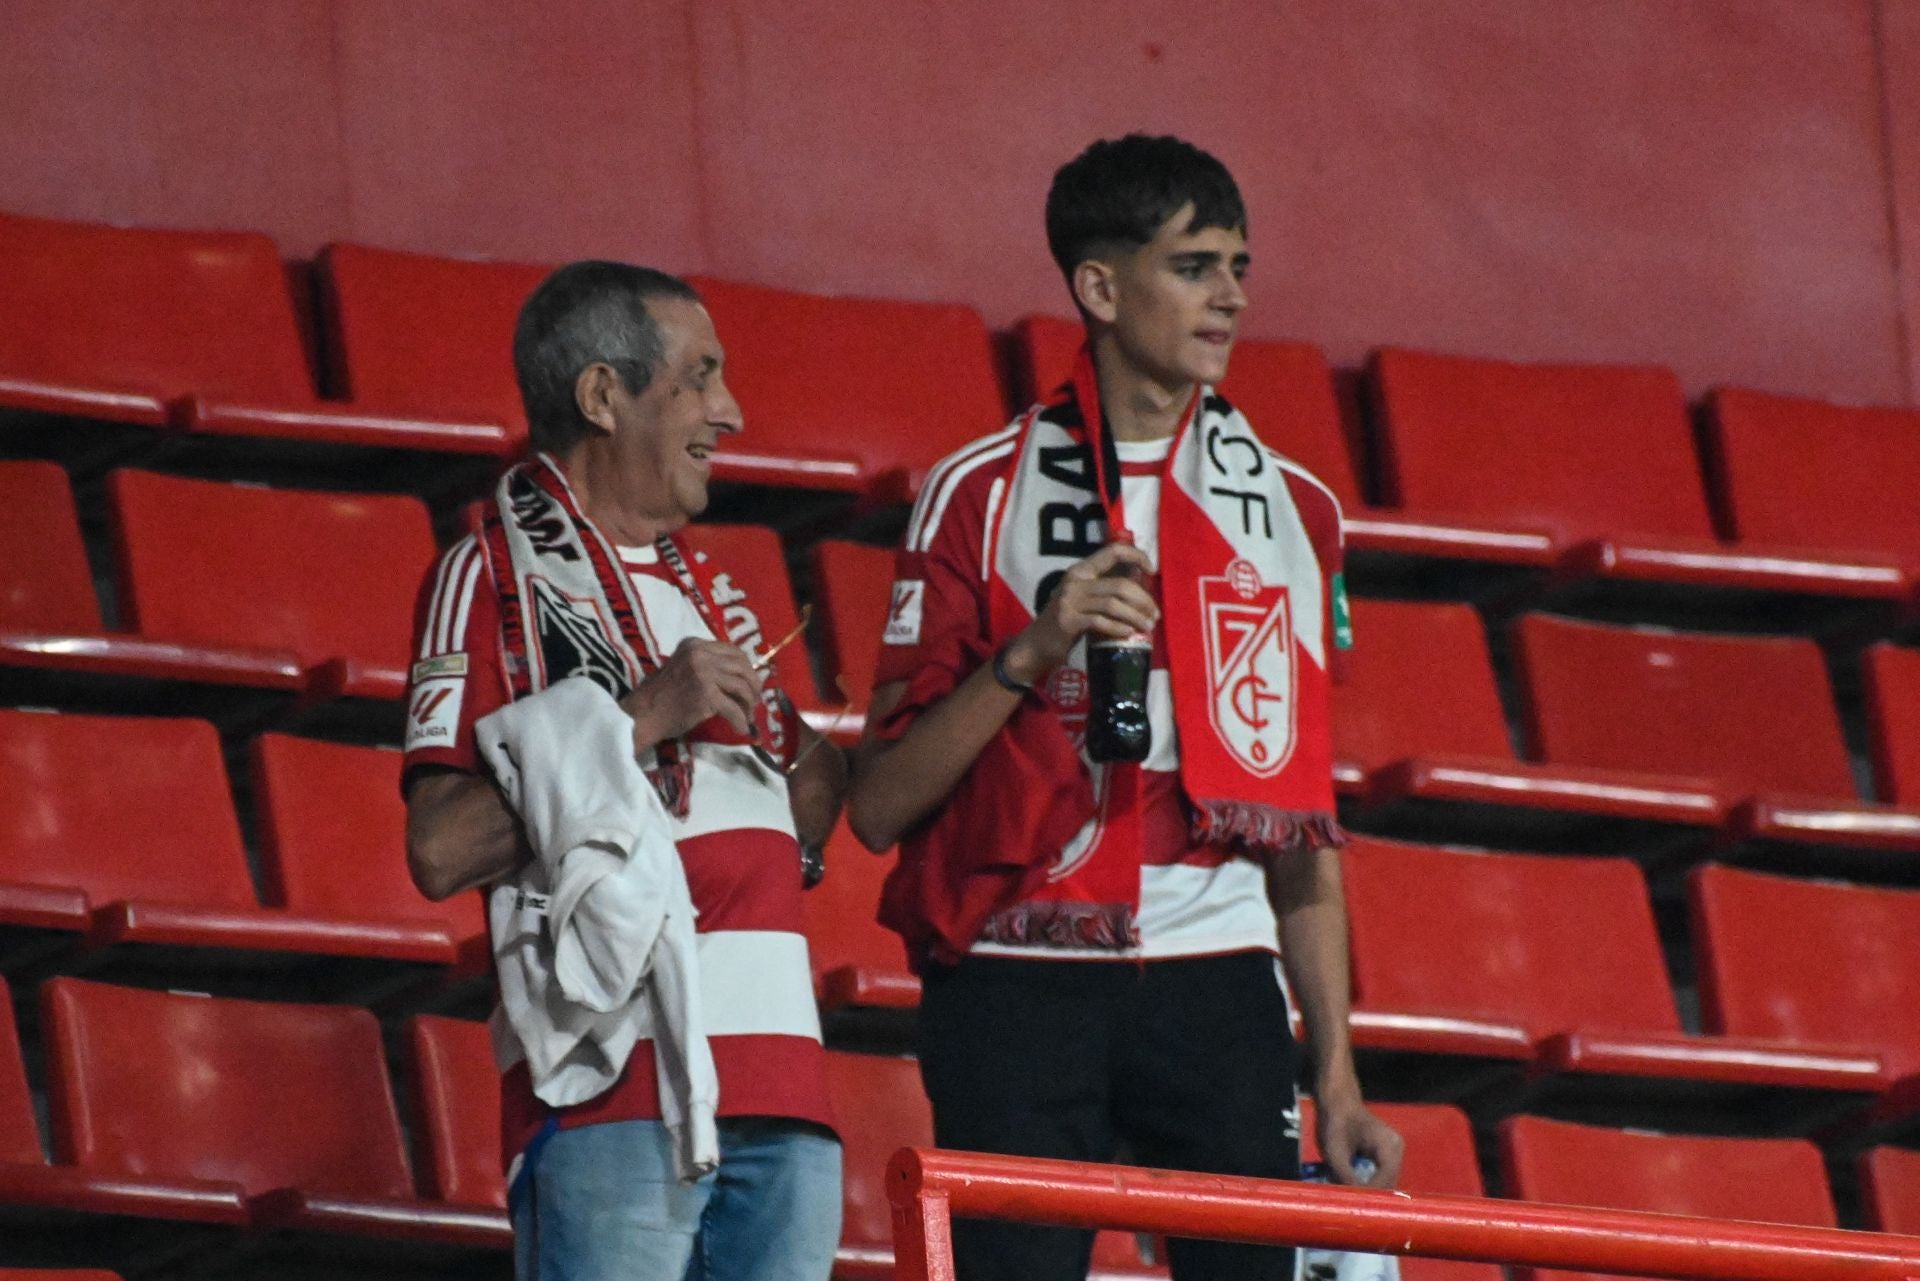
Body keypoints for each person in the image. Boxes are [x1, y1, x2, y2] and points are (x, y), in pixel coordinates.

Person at [847, 134, 1403, 1281]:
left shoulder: (1295, 510)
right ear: (1099, 288)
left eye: (1238, 267)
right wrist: (1033, 649)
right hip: (1015, 971)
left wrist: (1337, 1076)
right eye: (1194, 267)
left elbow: (1302, 821)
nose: (1231, 296)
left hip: (1222, 975)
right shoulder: (975, 493)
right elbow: (879, 806)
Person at [403, 261, 845, 1281]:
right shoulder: (490, 576)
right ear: (604, 395)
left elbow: (817, 810)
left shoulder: (714, 589)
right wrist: (643, 715)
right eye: (701, 377)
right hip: (611, 1099)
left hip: (785, 1094)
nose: (730, 412)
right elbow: (439, 847)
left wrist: (788, 731)